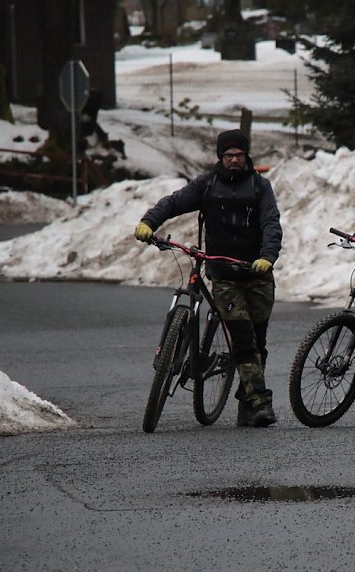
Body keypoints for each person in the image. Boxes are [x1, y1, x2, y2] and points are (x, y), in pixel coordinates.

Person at [133, 129, 282, 428]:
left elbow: (271, 222)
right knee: (241, 336)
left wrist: (267, 256)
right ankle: (262, 402)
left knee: (257, 340)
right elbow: (174, 202)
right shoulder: (207, 185)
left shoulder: (259, 186)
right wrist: (149, 221)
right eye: (228, 155)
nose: (234, 160)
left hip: (257, 272)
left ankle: (247, 405)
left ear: (247, 156)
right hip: (223, 274)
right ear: (220, 157)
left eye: (239, 155)